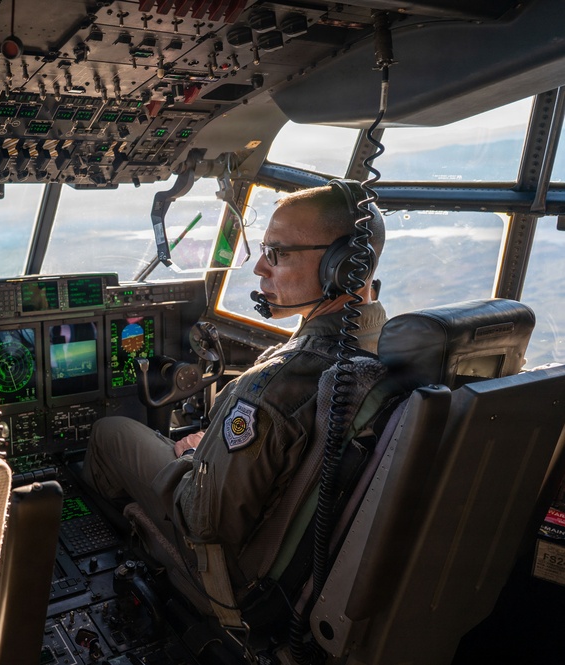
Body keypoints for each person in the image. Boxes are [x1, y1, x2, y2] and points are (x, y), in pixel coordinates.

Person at [82, 182, 388, 617]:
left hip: (235, 585)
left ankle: (104, 549)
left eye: (277, 253)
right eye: (263, 249)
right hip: (317, 573)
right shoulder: (392, 348)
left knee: (109, 433)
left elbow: (203, 523)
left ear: (343, 265)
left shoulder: (271, 390)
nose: (260, 267)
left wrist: (192, 461)